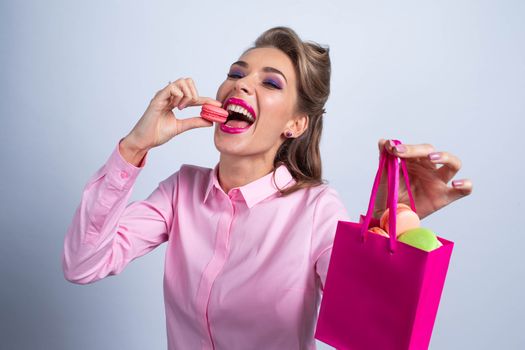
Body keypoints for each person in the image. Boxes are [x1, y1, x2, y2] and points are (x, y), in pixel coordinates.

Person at [62, 26, 473, 349]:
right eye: (236, 74)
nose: (240, 85)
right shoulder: (180, 192)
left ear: (295, 125)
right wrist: (134, 146)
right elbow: (83, 264)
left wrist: (392, 226)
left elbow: (375, 333)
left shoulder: (317, 210)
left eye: (270, 83)